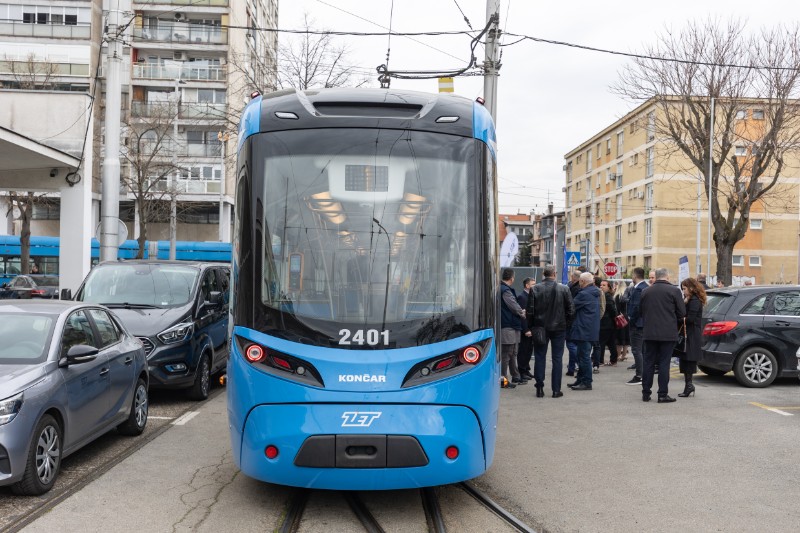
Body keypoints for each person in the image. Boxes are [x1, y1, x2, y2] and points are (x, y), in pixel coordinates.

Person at [640, 268, 686, 403]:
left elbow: (640, 312)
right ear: (667, 276)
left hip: (649, 333)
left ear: (657, 277)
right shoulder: (674, 291)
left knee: (648, 363)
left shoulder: (645, 291)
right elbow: (682, 313)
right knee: (664, 364)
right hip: (667, 333)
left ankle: (646, 393)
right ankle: (662, 394)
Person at [529, 265, 575, 398]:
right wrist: (566, 324)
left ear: (544, 274)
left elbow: (530, 311)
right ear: (554, 274)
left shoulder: (535, 288)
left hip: (540, 327)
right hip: (559, 328)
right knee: (557, 359)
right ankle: (556, 390)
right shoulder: (564, 289)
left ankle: (539, 388)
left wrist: (530, 327)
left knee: (539, 357)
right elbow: (571, 310)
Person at [567, 272, 600, 391]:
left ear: (582, 281)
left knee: (584, 356)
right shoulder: (594, 292)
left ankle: (586, 381)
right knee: (582, 355)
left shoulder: (584, 294)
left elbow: (571, 306)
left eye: (580, 281)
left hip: (584, 329)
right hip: (589, 329)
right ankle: (580, 379)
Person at [678, 277, 707, 397]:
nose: (683, 291)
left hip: (691, 334)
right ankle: (688, 385)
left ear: (690, 288)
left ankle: (689, 385)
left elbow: (690, 319)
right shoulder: (690, 299)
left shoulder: (694, 300)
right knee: (686, 360)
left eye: (684, 288)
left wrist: (679, 319)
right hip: (689, 333)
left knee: (688, 360)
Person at [500, 269, 526, 388]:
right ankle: (503, 380)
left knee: (513, 352)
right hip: (507, 325)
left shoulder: (504, 289)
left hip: (513, 325)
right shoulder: (505, 290)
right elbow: (514, 306)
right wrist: (522, 313)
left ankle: (515, 376)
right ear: (512, 278)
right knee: (507, 354)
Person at [625, 268, 648, 385]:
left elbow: (636, 307)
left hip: (637, 324)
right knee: (641, 350)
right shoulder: (646, 287)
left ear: (635, 275)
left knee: (636, 350)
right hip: (643, 323)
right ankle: (643, 374)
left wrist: (631, 319)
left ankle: (640, 375)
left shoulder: (639, 289)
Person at [516, 277, 535, 381]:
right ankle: (522, 371)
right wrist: (526, 329)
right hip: (526, 329)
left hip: (531, 328)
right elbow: (522, 315)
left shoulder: (531, 296)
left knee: (529, 350)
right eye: (533, 284)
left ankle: (526, 369)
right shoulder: (522, 297)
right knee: (523, 351)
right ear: (527, 286)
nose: (535, 286)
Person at [565, 270, 582, 376]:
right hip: (575, 320)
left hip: (572, 320)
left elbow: (571, 305)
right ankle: (571, 368)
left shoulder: (575, 289)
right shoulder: (573, 286)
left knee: (571, 344)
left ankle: (581, 364)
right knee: (573, 344)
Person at [598, 280, 618, 366]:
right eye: (601, 285)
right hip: (609, 324)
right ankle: (613, 360)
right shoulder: (603, 295)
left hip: (606, 323)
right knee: (611, 342)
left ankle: (600, 360)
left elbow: (613, 310)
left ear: (609, 287)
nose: (601, 286)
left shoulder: (607, 296)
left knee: (601, 343)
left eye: (604, 285)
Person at [614, 281, 631, 362]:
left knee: (619, 337)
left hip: (620, 318)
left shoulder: (617, 295)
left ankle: (618, 355)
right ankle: (624, 355)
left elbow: (616, 309)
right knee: (626, 337)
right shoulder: (627, 295)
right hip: (627, 317)